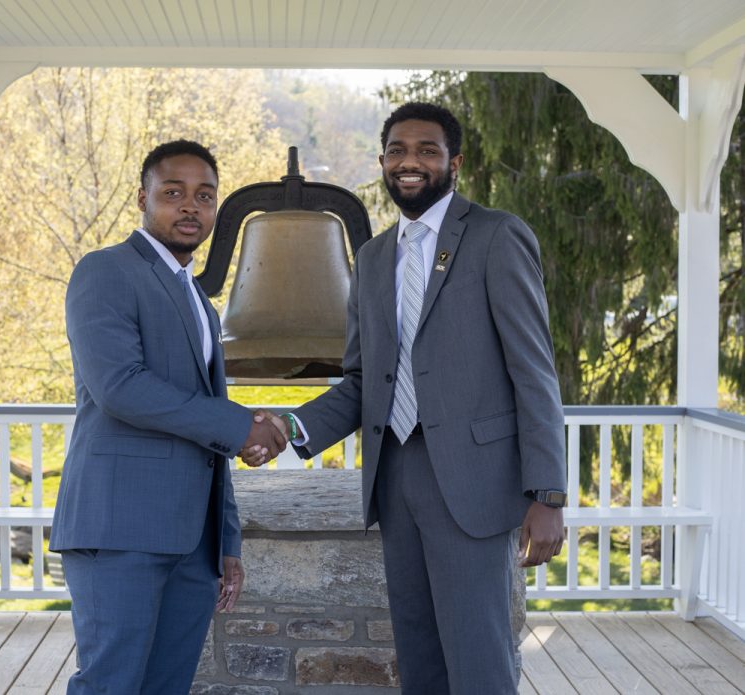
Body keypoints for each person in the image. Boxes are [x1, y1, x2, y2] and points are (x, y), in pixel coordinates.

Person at [251, 102, 567, 693]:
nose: (410, 162)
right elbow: (363, 383)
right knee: (419, 656)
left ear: (455, 163)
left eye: (426, 150)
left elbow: (535, 372)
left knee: (478, 660)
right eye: (397, 151)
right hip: (395, 479)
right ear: (382, 162)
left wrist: (547, 492)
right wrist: (289, 430)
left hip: (473, 483)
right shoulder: (372, 259)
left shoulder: (497, 236)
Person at [50, 140, 286, 694]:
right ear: (142, 197)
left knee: (167, 686)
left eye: (204, 196)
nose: (190, 207)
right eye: (173, 193)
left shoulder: (200, 301)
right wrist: (240, 425)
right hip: (119, 530)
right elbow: (120, 388)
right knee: (111, 683)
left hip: (192, 544)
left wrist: (226, 541)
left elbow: (204, 440)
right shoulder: (105, 271)